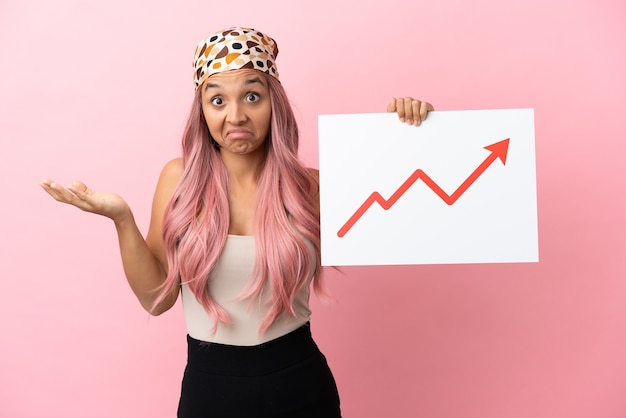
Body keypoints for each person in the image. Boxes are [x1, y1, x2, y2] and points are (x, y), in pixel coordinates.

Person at [40, 27, 434, 418]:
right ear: (203, 111)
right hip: (210, 391)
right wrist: (121, 218)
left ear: (273, 103)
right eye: (217, 100)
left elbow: (408, 215)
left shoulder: (312, 186)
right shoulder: (179, 180)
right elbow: (156, 301)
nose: (236, 116)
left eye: (251, 95)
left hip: (301, 386)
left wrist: (404, 137)